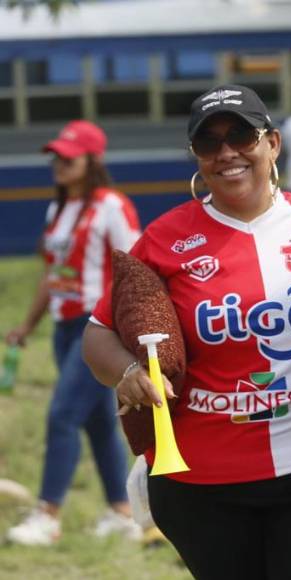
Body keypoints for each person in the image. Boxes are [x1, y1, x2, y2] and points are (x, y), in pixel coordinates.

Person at [81, 84, 291, 580]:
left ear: (272, 143)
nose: (227, 153)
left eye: (241, 135)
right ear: (196, 157)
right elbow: (97, 336)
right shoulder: (164, 239)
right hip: (201, 484)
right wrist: (128, 373)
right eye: (209, 143)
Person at [4, 120, 142, 547]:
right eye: (55, 157)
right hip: (64, 331)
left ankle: (48, 514)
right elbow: (52, 274)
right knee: (99, 422)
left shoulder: (112, 206)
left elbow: (134, 270)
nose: (59, 164)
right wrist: (27, 326)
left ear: (92, 160)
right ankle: (123, 513)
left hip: (96, 330)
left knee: (62, 415)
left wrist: (132, 331)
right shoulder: (58, 208)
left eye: (69, 158)